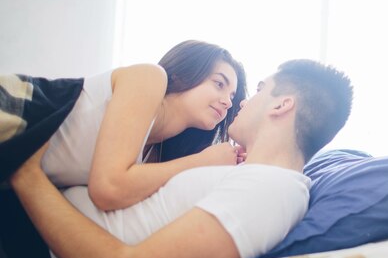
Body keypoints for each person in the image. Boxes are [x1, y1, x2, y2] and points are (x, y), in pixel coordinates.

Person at [5, 59, 354, 258]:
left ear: (282, 104)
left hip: (27, 239)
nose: (240, 101)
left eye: (260, 89)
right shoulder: (250, 175)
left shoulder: (273, 190)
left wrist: (26, 176)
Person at [0, 40, 247, 211]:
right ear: (182, 75)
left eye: (232, 96)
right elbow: (108, 188)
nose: (227, 101)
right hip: (13, 114)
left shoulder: (154, 157)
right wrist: (201, 161)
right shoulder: (149, 78)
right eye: (219, 84)